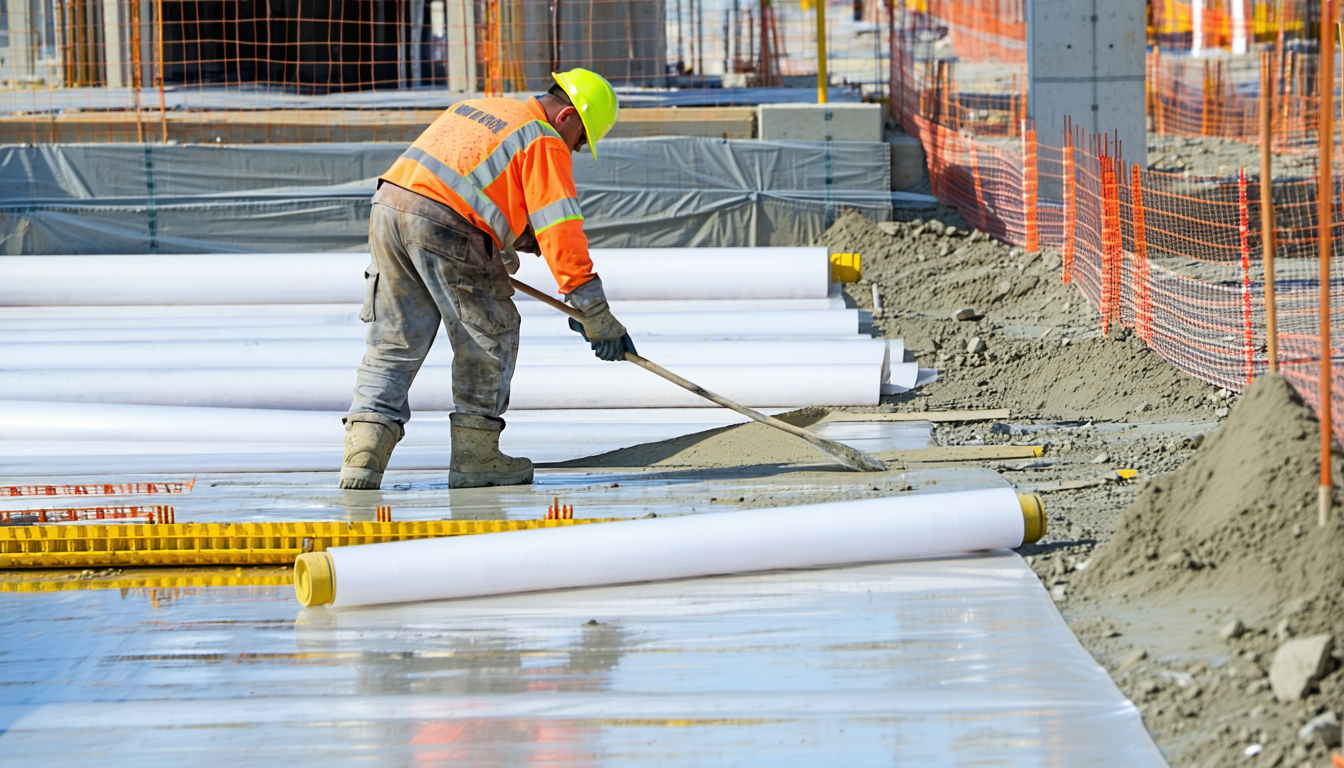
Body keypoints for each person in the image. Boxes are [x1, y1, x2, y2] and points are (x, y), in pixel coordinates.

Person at [339, 68, 635, 491]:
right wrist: (595, 312)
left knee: (394, 341)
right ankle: (476, 459)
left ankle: (363, 456)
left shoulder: (480, 109)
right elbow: (561, 232)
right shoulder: (543, 139)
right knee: (489, 334)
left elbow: (474, 185)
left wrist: (508, 240)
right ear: (567, 116)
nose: (576, 148)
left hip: (389, 207)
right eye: (582, 140)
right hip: (449, 225)